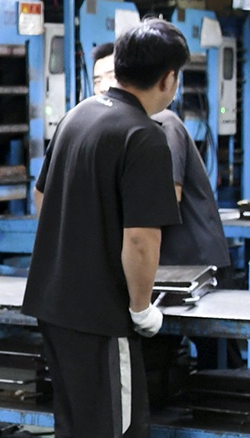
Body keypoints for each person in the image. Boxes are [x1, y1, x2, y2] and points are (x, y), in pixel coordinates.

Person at [26, 18, 184, 438]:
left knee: (76, 420)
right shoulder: (144, 135)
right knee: (119, 429)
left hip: (54, 301)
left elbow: (42, 199)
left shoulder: (78, 116)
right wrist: (141, 308)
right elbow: (141, 240)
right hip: (100, 313)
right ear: (168, 79)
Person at [92, 41, 229, 272]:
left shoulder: (164, 125)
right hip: (163, 262)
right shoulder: (122, 131)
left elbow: (169, 197)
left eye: (111, 76)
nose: (104, 87)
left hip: (195, 263)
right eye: (97, 80)